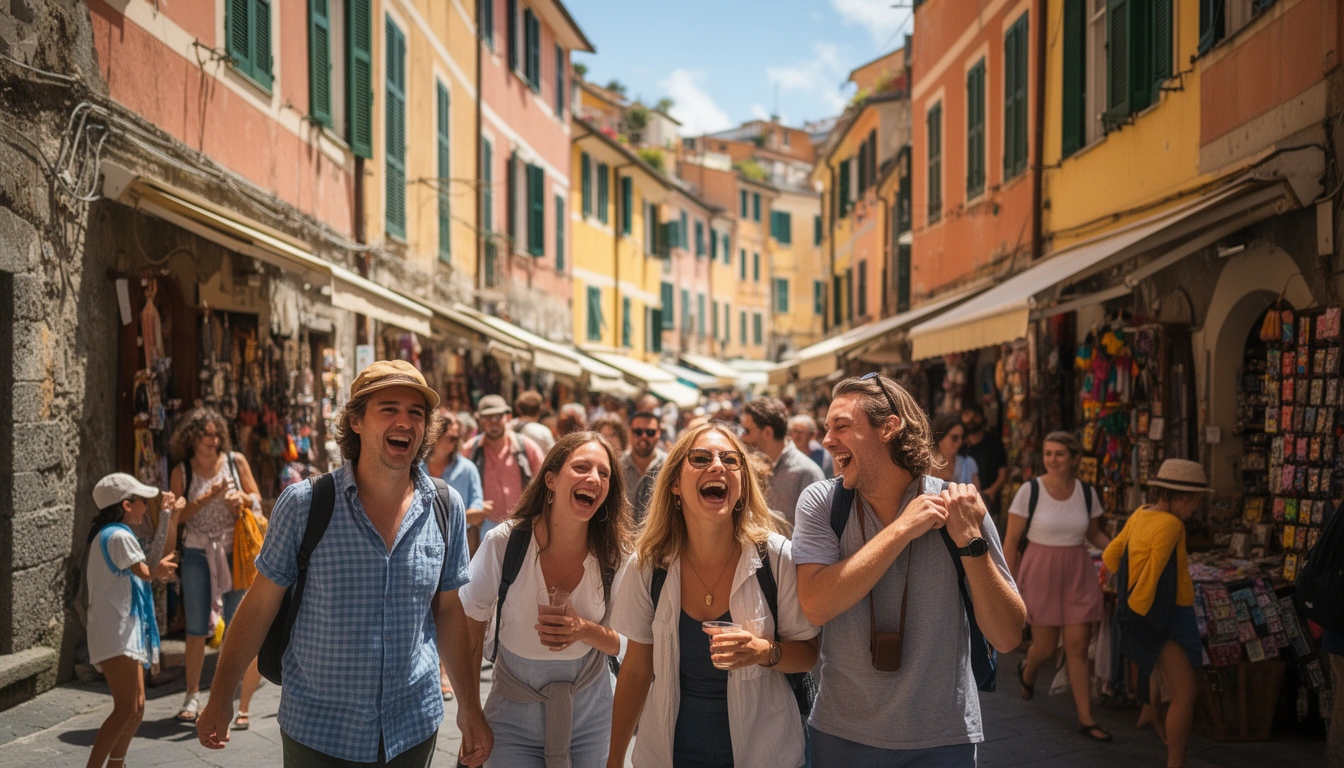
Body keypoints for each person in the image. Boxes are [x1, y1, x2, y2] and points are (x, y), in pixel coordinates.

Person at [195, 360, 489, 767]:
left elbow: (449, 610)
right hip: (320, 732)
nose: (405, 422)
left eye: (416, 412)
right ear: (356, 421)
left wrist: (470, 708)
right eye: (389, 408)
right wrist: (220, 696)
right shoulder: (305, 504)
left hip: (413, 727)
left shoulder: (445, 506)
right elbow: (260, 605)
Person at [793, 374, 1025, 765]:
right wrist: (902, 529)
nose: (827, 440)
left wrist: (970, 540)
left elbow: (1006, 636)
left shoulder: (958, 506)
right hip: (841, 735)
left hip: (942, 739)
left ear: (889, 427)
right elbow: (816, 605)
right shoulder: (822, 502)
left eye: (842, 426)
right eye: (826, 428)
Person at [608, 423, 820, 768]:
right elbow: (635, 671)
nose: (718, 466)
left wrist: (762, 651)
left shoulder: (776, 557)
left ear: (742, 484)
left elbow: (808, 654)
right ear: (675, 484)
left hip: (764, 753)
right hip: (671, 754)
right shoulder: (648, 565)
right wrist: (615, 759)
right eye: (701, 458)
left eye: (730, 460)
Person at [459, 432, 632, 767]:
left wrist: (583, 630)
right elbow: (469, 625)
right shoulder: (504, 543)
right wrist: (469, 710)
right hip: (511, 715)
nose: (594, 478)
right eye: (581, 467)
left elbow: (627, 645)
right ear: (550, 480)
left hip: (593, 715)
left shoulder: (616, 556)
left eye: (604, 473)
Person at [1002, 431, 1111, 742]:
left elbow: (1093, 534)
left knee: (1077, 648)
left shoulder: (1086, 493)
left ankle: (1086, 719)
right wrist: (1007, 582)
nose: (1052, 459)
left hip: (1077, 570)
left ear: (1074, 458)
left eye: (1059, 454)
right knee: (1047, 648)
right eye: (1048, 453)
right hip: (1041, 570)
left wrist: (1118, 552)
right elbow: (1011, 540)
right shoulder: (1030, 491)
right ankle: (1028, 670)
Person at [1103, 459, 1210, 768]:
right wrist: (1143, 617)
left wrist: (1131, 600)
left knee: (1179, 688)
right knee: (1185, 694)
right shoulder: (1172, 525)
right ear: (1183, 497)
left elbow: (1111, 555)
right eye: (1196, 502)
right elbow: (1153, 574)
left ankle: (1167, 743)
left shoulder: (1141, 513)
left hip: (1150, 614)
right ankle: (1176, 762)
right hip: (1166, 617)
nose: (1195, 510)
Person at [167, 407, 265, 728]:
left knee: (238, 624)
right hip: (197, 552)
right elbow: (177, 516)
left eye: (216, 434)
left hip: (234, 551)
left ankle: (230, 696)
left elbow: (256, 497)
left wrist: (243, 500)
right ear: (191, 438)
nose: (213, 440)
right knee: (196, 627)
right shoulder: (182, 471)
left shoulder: (235, 462)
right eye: (206, 435)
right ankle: (192, 695)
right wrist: (207, 497)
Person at [85, 474, 180, 768]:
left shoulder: (113, 534)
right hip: (116, 632)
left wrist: (166, 516)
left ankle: (117, 764)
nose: (145, 508)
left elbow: (148, 565)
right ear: (127, 505)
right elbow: (148, 571)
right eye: (142, 502)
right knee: (127, 709)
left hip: (121, 631)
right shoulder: (119, 536)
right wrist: (159, 569)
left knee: (135, 708)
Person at [426, 409, 487, 701]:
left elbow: (478, 512)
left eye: (456, 438)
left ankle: (445, 673)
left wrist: (452, 513)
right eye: (448, 437)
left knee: (450, 609)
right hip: (422, 548)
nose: (454, 442)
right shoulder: (414, 465)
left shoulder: (467, 469)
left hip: (454, 550)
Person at [468, 394, 547, 539]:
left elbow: (545, 484)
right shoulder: (470, 450)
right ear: (480, 420)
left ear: (509, 417)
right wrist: (474, 506)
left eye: (498, 417)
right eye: (487, 417)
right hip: (485, 530)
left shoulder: (526, 447)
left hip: (523, 525)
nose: (493, 422)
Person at [740, 397, 824, 527]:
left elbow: (817, 530)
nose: (742, 437)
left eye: (747, 431)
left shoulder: (807, 473)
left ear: (768, 432)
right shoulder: (748, 467)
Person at [961, 404, 1008, 518]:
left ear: (983, 418)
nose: (971, 419)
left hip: (988, 501)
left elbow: (1003, 473)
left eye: (976, 415)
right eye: (967, 415)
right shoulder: (960, 443)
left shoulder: (994, 443)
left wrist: (990, 493)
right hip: (962, 501)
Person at [620, 411, 666, 526]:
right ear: (629, 432)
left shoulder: (669, 466)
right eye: (638, 432)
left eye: (650, 432)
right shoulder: (616, 467)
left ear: (658, 434)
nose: (644, 436)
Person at [930, 413, 981, 487]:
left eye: (962, 437)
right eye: (955, 438)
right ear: (940, 437)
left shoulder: (968, 463)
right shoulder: (927, 464)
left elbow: (977, 492)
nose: (960, 442)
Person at [788, 414, 833, 479]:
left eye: (801, 432)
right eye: (794, 431)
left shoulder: (824, 456)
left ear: (812, 435)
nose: (796, 435)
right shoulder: (786, 456)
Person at [513, 390, 557, 455]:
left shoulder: (508, 427)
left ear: (518, 410)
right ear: (540, 409)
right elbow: (553, 455)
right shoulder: (543, 432)